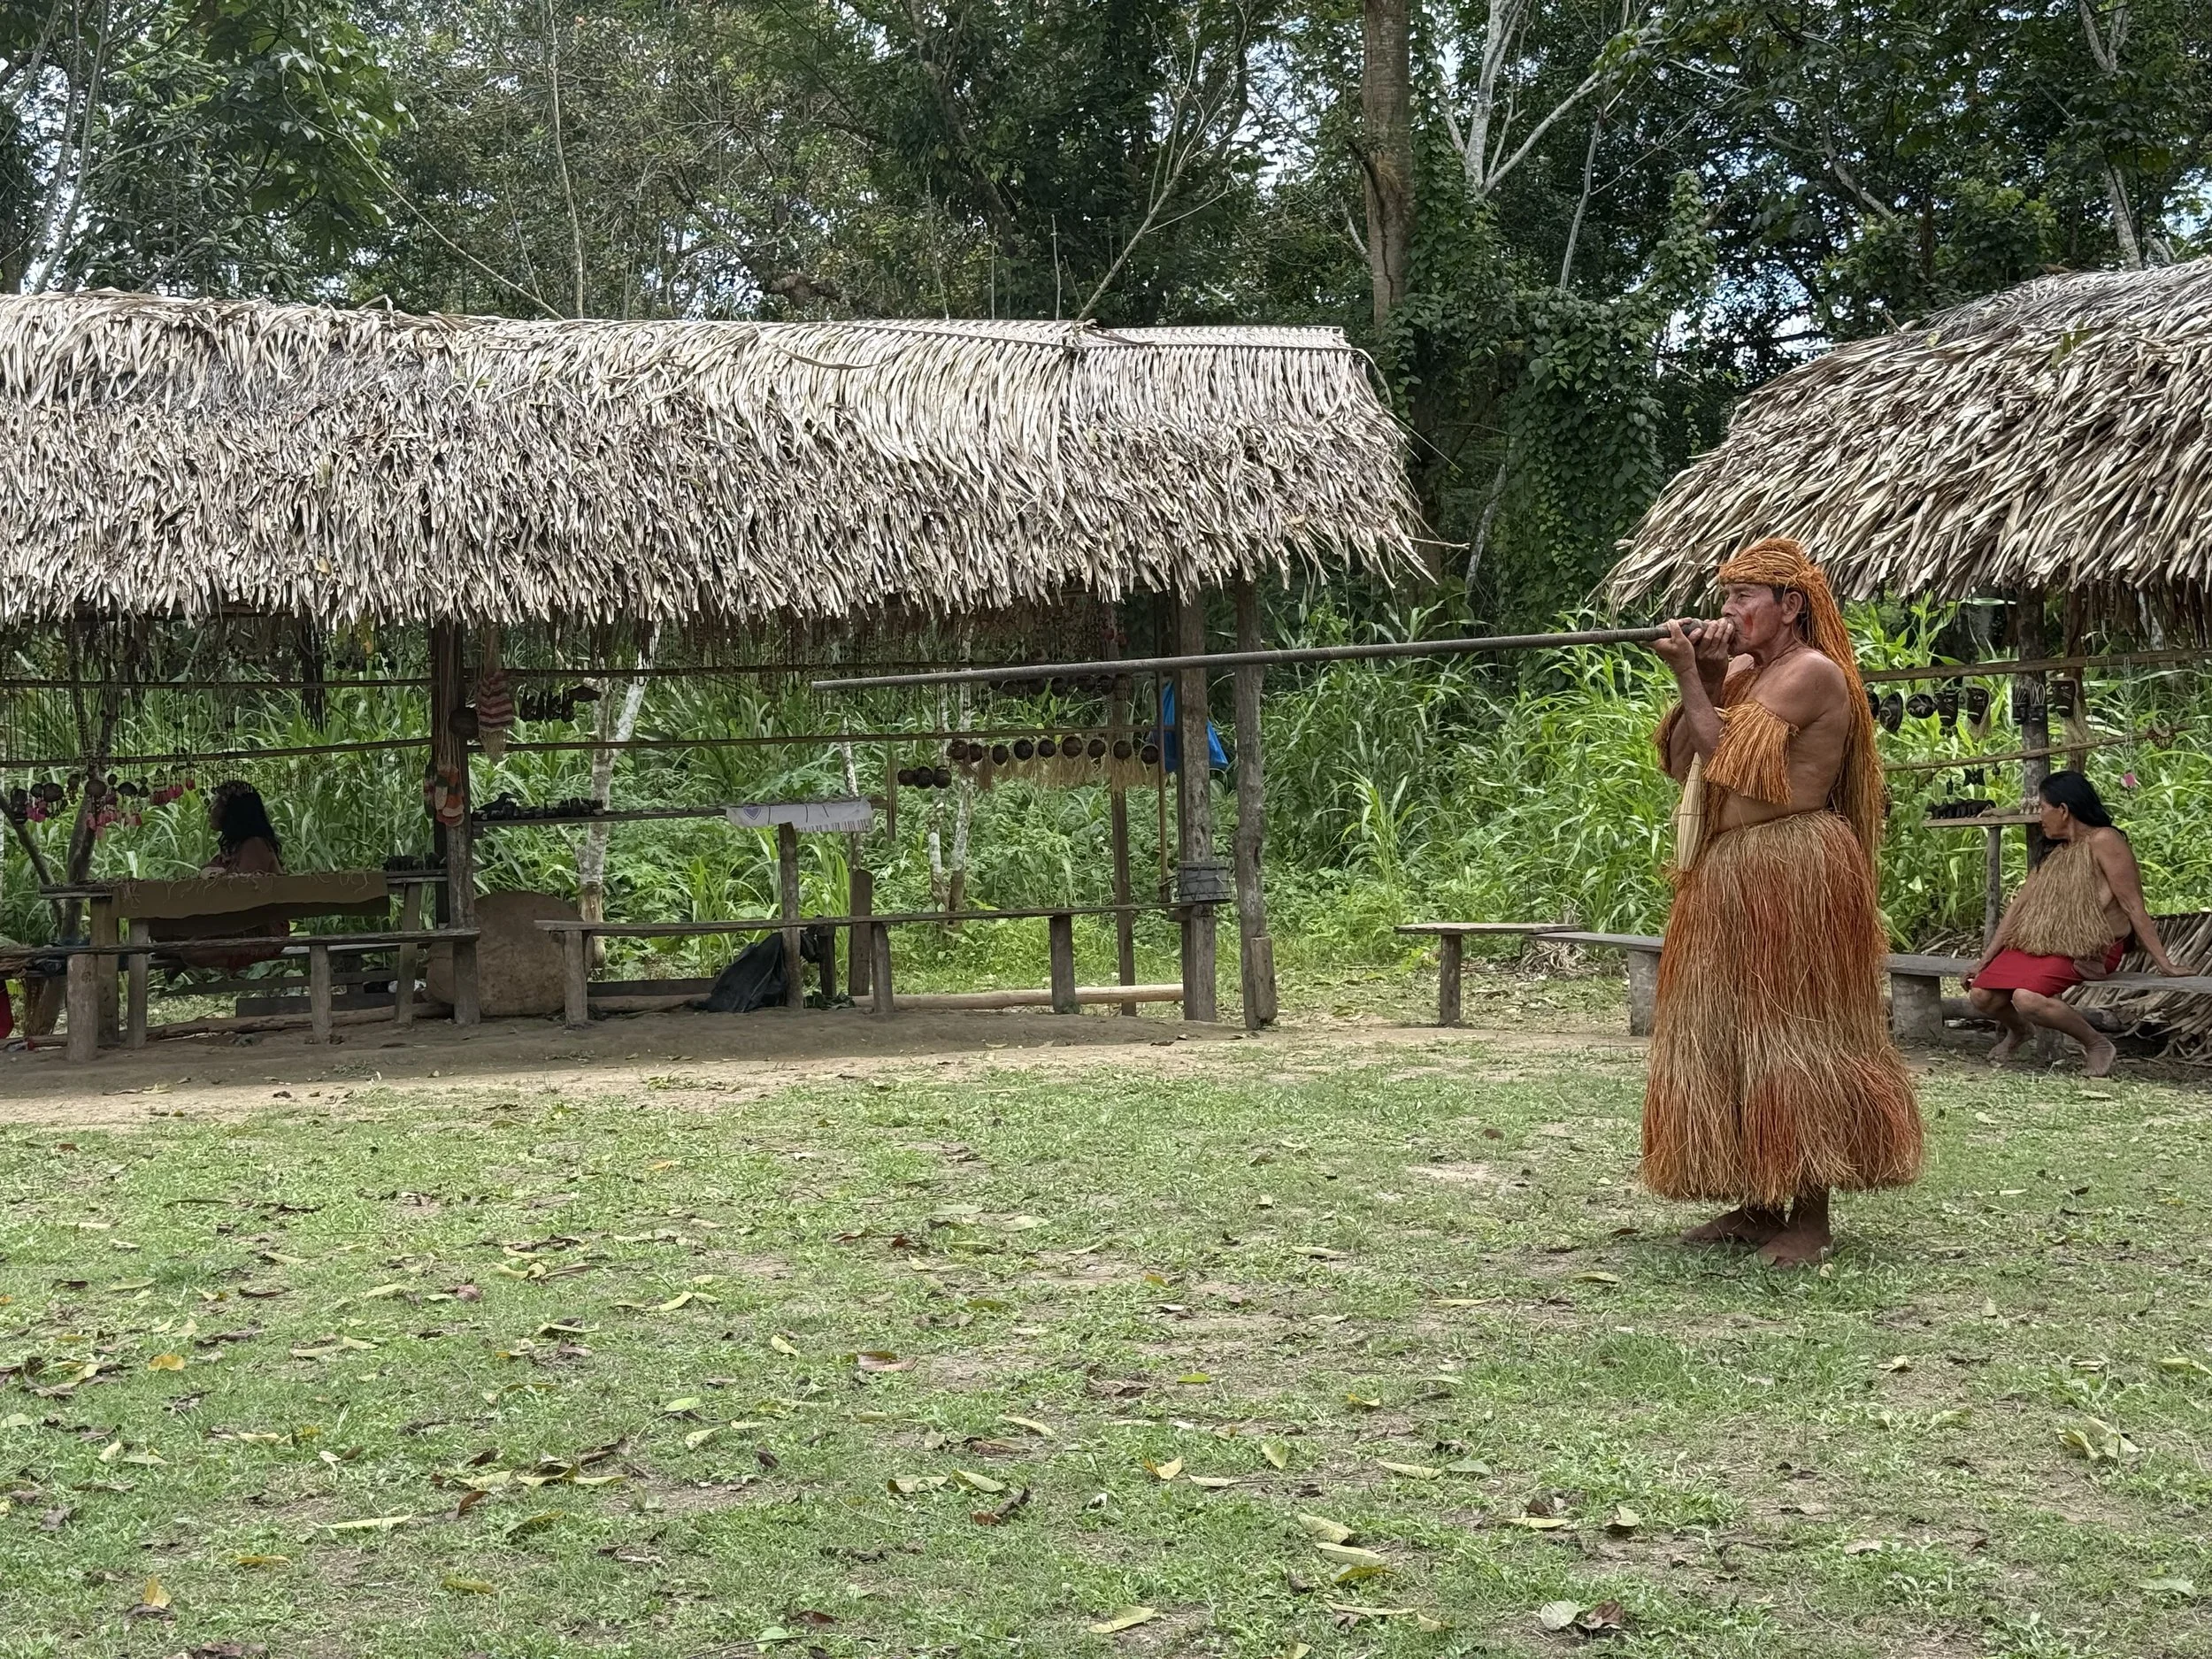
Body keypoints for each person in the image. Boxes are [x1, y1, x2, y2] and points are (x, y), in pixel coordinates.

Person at [1644, 536, 1923, 1266]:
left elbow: (1740, 765)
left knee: (1794, 1034)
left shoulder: (1812, 674)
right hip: (1731, 872)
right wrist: (1701, 675)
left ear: (1790, 605)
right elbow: (1686, 765)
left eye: (1743, 597)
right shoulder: (1740, 669)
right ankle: (1761, 1198)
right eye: (1725, 597)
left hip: (1795, 866)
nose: (1728, 611)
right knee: (1736, 1033)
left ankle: (1811, 1215)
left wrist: (1694, 679)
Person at [1968, 771, 2184, 1077]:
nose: (2039, 816)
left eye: (2043, 807)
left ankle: (2096, 1043)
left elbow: (2133, 905)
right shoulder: (2055, 854)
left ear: (2064, 810)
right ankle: (2020, 1031)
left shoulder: (2105, 840)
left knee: (2026, 998)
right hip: (2044, 944)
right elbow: (2018, 909)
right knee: (1982, 995)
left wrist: (2165, 964)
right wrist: (1984, 960)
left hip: (2091, 949)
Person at [203, 781, 284, 876]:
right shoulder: (234, 847)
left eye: (215, 802)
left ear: (232, 809)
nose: (210, 809)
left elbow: (244, 887)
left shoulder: (254, 846)